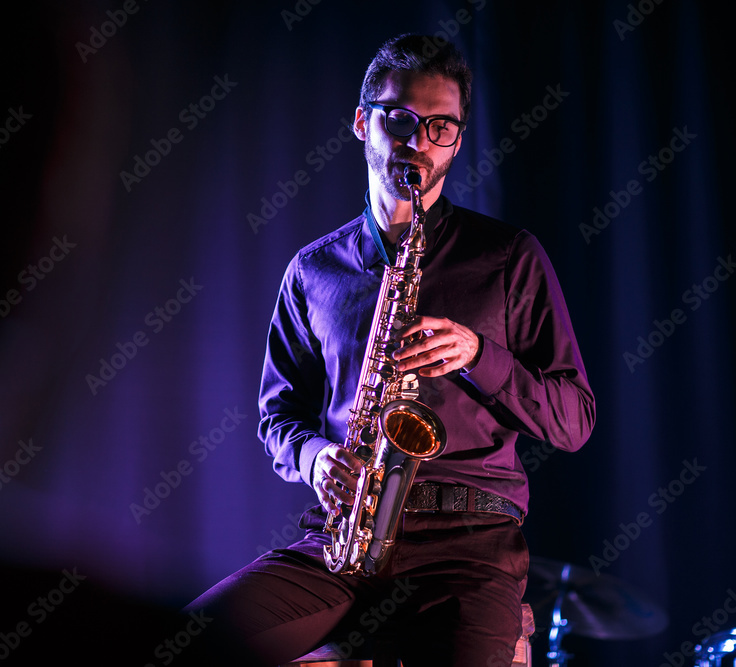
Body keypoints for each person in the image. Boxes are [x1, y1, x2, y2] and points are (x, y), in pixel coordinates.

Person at [184, 33, 595, 667]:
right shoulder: (313, 270)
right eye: (400, 119)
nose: (419, 143)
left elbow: (573, 422)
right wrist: (317, 458)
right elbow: (276, 419)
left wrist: (481, 355)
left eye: (440, 127)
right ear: (362, 122)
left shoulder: (510, 256)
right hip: (342, 539)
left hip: (470, 543)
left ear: (457, 140)